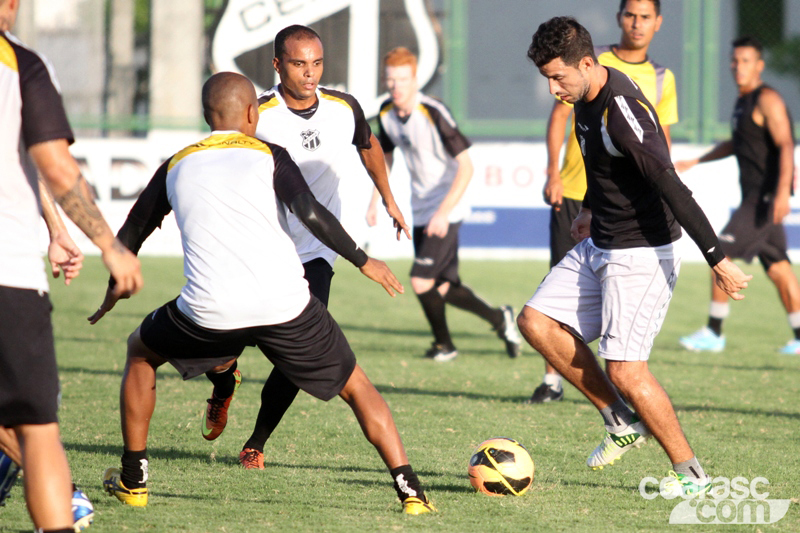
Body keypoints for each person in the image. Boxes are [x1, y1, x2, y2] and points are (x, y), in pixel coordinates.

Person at [91, 72, 435, 515]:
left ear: (205, 116)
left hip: (208, 312)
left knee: (140, 352)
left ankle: (134, 479)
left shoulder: (176, 163)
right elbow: (310, 211)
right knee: (358, 387)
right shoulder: (271, 155)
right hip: (286, 306)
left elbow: (132, 232)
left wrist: (113, 288)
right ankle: (411, 492)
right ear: (253, 113)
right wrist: (363, 259)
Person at [521, 16, 751, 495]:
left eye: (558, 77)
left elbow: (671, 184)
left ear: (587, 63)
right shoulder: (584, 94)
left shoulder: (621, 112)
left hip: (644, 251)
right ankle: (618, 422)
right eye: (547, 78)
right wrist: (588, 210)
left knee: (626, 368)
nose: (553, 89)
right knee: (535, 322)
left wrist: (718, 258)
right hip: (601, 239)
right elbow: (603, 169)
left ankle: (690, 473)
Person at [211, 24, 411, 470]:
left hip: (316, 252)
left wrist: (389, 197)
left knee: (297, 352)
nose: (310, 73)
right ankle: (223, 385)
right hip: (258, 248)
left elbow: (368, 144)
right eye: (299, 64)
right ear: (278, 64)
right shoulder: (254, 114)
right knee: (222, 344)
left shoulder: (344, 107)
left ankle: (256, 443)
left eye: (317, 63)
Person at [0, 0, 143, 530]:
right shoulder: (23, 66)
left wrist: (57, 230)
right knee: (36, 425)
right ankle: (68, 502)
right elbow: (54, 164)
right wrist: (109, 244)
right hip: (8, 273)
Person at [533, 0, 678, 403]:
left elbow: (660, 141)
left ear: (657, 23)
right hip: (577, 193)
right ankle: (553, 381)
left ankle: (621, 397)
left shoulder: (661, 78)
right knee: (551, 294)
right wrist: (553, 173)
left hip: (625, 211)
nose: (636, 23)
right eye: (630, 14)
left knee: (620, 346)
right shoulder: (587, 64)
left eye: (644, 16)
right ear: (619, 19)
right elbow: (562, 117)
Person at [369, 46, 522, 363]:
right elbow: (385, 157)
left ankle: (444, 345)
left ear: (415, 80)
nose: (396, 86)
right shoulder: (385, 113)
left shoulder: (434, 111)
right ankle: (499, 318)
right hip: (421, 207)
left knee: (420, 279)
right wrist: (378, 200)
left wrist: (443, 213)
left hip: (449, 204)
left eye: (402, 79)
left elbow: (466, 166)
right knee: (441, 286)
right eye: (390, 79)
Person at [677, 37, 800, 355]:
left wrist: (784, 192)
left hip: (763, 199)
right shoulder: (742, 102)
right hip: (757, 198)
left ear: (759, 65)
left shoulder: (766, 98)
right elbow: (737, 144)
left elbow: (786, 144)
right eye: (734, 60)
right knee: (779, 268)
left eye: (745, 60)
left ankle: (714, 332)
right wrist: (697, 160)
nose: (738, 66)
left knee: (719, 254)